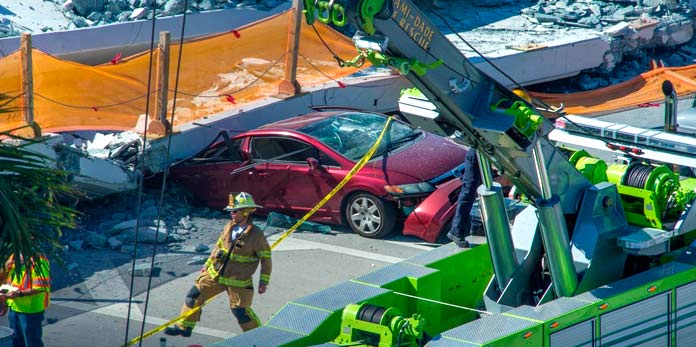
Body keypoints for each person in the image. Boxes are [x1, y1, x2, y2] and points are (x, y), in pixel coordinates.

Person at [165, 192, 272, 337]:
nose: (231, 214)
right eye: (230, 211)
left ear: (245, 212)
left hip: (238, 282)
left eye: (234, 211)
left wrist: (263, 281)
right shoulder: (229, 227)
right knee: (194, 295)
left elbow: (266, 258)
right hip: (215, 275)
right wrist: (207, 265)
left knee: (240, 312)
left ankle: (257, 338)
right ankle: (184, 326)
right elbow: (218, 247)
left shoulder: (256, 235)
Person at [0, 253, 51, 347]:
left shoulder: (39, 259)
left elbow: (41, 286)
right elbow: (7, 280)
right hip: (14, 308)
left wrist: (20, 293)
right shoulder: (14, 256)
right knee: (16, 343)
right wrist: (5, 303)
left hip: (30, 311)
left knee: (31, 343)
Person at [447, 148, 482, 248]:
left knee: (479, 192)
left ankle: (477, 227)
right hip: (477, 154)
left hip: (482, 154)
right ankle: (456, 231)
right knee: (468, 193)